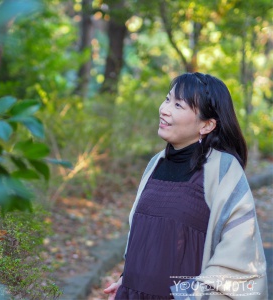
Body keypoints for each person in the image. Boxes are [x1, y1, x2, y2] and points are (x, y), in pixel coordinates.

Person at [104, 72, 268, 299]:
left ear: (207, 125)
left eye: (178, 105)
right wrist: (127, 281)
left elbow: (239, 257)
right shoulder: (155, 164)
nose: (164, 109)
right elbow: (146, 240)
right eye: (167, 99)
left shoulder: (223, 170)